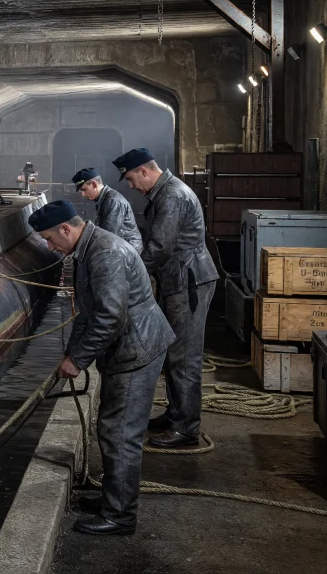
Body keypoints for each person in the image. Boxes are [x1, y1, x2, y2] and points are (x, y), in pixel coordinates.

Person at [32, 200, 174, 536]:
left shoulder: (104, 253)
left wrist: (77, 360)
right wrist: (71, 354)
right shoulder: (89, 249)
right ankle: (114, 499)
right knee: (113, 428)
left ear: (66, 229)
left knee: (120, 433)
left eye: (50, 239)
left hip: (136, 350)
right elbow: (87, 311)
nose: (50, 247)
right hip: (128, 347)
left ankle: (120, 516)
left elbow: (110, 317)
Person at [113, 148, 219, 450]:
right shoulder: (167, 192)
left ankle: (186, 428)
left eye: (131, 179)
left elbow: (160, 246)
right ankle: (177, 415)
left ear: (144, 171)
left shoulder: (171, 196)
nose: (131, 186)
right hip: (182, 278)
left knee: (184, 356)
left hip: (188, 280)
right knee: (175, 351)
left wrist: (133, 272)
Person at [72, 168, 142, 254]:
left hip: (128, 252)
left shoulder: (112, 200)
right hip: (122, 247)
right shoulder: (103, 199)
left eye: (84, 190)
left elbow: (109, 236)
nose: (83, 194)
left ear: (94, 184)